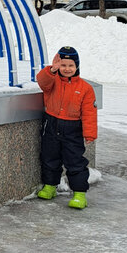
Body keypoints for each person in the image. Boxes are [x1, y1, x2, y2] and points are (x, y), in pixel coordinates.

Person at [35, 45, 97, 210]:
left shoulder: (85, 88)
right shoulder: (52, 81)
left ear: (77, 66)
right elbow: (41, 81)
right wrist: (51, 69)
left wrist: (89, 134)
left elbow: (89, 113)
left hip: (73, 128)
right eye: (63, 65)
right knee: (50, 158)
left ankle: (79, 193)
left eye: (71, 65)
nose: (67, 69)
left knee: (75, 161)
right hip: (51, 125)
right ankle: (50, 186)